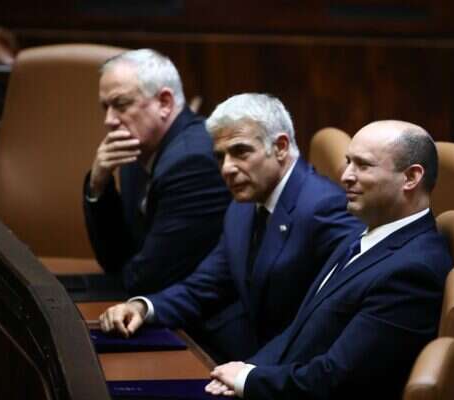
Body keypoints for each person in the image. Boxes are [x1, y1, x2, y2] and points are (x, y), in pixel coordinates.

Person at [99, 93, 362, 361]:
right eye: (220, 156)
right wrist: (144, 308)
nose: (227, 168)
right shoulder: (243, 207)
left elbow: (333, 319)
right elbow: (205, 285)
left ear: (281, 147)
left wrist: (251, 374)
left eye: (240, 152)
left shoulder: (324, 207)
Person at [205, 120, 453, 399]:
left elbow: (337, 379)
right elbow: (298, 331)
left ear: (411, 178)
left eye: (363, 165)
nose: (346, 175)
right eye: (348, 162)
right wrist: (249, 368)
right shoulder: (364, 233)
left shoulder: (412, 272)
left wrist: (249, 380)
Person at [83, 49, 231, 295]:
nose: (109, 120)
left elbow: (148, 280)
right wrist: (99, 184)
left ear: (164, 102)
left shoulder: (193, 162)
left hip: (201, 324)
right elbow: (116, 260)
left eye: (120, 104)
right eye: (105, 107)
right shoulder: (138, 150)